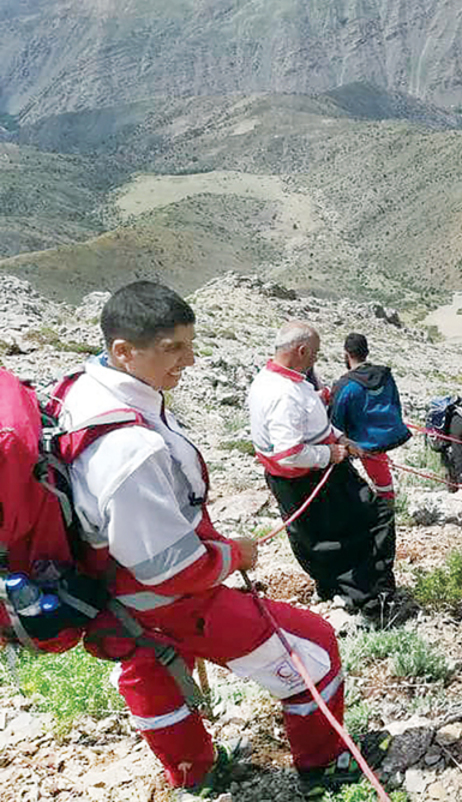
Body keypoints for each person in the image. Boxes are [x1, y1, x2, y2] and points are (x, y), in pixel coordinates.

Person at [59, 282, 383, 799]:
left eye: (189, 344)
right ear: (124, 350)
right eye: (173, 349)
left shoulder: (86, 392)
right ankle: (325, 765)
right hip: (167, 599)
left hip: (113, 595)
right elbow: (171, 570)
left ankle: (195, 774)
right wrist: (234, 554)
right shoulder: (128, 451)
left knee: (153, 672)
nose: (189, 360)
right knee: (315, 650)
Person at [247, 321, 398, 621]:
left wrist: (339, 437)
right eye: (314, 353)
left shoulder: (274, 381)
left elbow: (311, 424)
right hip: (312, 475)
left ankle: (333, 588)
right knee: (373, 519)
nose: (316, 358)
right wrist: (330, 453)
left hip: (303, 476)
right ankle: (373, 600)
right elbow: (289, 453)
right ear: (301, 350)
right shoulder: (284, 393)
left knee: (318, 537)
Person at [329, 333, 411, 502]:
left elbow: (335, 423)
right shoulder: (386, 375)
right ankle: (387, 500)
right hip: (388, 438)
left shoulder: (345, 385)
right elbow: (395, 403)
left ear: (346, 354)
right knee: (382, 481)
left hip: (362, 443)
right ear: (366, 352)